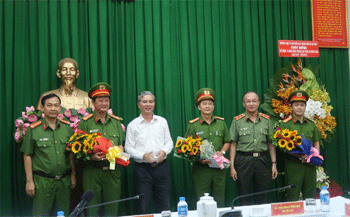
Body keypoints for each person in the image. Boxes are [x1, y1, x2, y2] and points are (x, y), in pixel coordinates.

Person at [21, 93, 76, 216]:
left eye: (56, 105)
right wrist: (29, 181)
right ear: (42, 107)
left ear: (60, 107)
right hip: (43, 181)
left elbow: (71, 153)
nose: (53, 108)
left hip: (64, 181)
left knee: (64, 214)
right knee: (40, 214)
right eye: (49, 105)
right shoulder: (34, 129)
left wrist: (73, 175)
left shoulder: (67, 128)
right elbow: (27, 155)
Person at [78, 82, 125, 216]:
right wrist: (91, 156)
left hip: (112, 171)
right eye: (100, 100)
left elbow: (120, 144)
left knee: (112, 209)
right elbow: (79, 149)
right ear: (93, 102)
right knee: (92, 209)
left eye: (106, 100)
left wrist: (119, 154)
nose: (104, 103)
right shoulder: (85, 122)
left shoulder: (116, 122)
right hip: (93, 172)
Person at [125, 91, 173, 214]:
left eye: (151, 101)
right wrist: (143, 155)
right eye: (144, 101)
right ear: (138, 104)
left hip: (162, 168)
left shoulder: (162, 121)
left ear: (154, 104)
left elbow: (169, 142)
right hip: (142, 170)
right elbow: (128, 148)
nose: (148, 104)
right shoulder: (133, 125)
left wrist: (164, 151)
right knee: (143, 206)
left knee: (164, 205)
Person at [230, 91, 278, 205]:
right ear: (243, 104)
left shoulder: (266, 120)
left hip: (262, 160)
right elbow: (233, 144)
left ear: (258, 102)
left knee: (262, 195)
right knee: (243, 194)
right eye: (248, 101)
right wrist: (232, 166)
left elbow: (271, 143)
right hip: (243, 160)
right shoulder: (237, 121)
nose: (251, 104)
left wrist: (274, 163)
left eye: (254, 101)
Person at [185, 88, 231, 208]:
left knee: (220, 199)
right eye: (204, 104)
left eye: (210, 104)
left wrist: (222, 152)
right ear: (199, 107)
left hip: (218, 168)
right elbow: (187, 148)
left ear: (213, 106)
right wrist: (198, 159)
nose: (207, 106)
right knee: (202, 201)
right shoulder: (193, 125)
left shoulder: (221, 123)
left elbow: (227, 141)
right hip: (201, 169)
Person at [279, 90, 322, 201]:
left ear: (305, 107)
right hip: (293, 165)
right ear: (291, 107)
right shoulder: (285, 124)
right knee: (292, 196)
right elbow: (282, 146)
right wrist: (300, 156)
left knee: (310, 197)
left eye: (302, 105)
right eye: (296, 105)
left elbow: (316, 142)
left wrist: (315, 156)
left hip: (310, 166)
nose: (299, 108)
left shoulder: (311, 124)